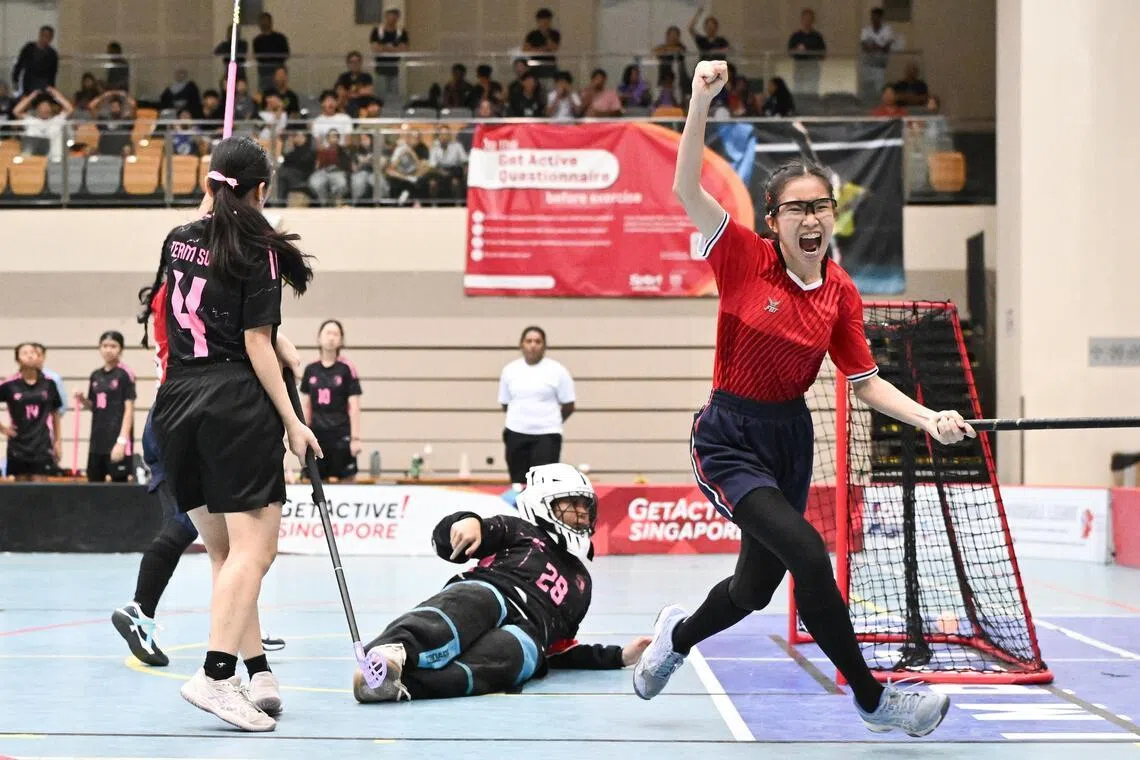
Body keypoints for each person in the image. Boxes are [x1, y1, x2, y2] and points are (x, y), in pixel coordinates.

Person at [631, 60, 975, 739]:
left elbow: (864, 382)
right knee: (811, 556)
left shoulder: (841, 291)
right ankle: (875, 700)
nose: (812, 217)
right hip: (729, 437)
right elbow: (683, 185)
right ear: (775, 220)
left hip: (790, 440)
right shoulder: (739, 256)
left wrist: (929, 417)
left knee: (752, 591)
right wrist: (700, 98)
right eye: (798, 208)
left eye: (822, 206)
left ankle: (677, 637)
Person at [151, 135, 321, 732]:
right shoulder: (260, 249)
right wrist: (294, 422)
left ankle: (257, 669)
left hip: (175, 403)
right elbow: (253, 342)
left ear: (208, 185)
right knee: (256, 550)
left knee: (224, 553)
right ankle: (216, 675)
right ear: (262, 191)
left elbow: (190, 295)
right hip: (233, 405)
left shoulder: (177, 240)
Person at [353, 463, 650, 702]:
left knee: (511, 656)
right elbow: (449, 543)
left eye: (586, 506)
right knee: (472, 602)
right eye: (572, 503)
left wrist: (619, 656)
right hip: (494, 590)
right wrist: (465, 522)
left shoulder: (582, 583)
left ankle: (398, 686)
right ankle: (388, 653)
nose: (583, 512)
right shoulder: (518, 530)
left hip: (529, 632)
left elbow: (558, 650)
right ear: (543, 503)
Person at [111, 279, 291, 671]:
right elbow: (244, 336)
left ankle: (242, 626)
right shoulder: (192, 289)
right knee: (219, 539)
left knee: (229, 542)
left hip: (174, 410)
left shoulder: (173, 292)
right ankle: (141, 609)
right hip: (190, 411)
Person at [498, 326, 575, 485]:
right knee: (518, 484)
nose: (533, 345)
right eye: (529, 341)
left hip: (547, 435)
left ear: (544, 346)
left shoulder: (558, 371)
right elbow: (505, 403)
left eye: (538, 341)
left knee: (543, 485)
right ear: (521, 344)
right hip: (516, 434)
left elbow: (569, 405)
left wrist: (549, 421)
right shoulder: (510, 370)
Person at [300, 319, 362, 482]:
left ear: (341, 340)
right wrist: (302, 435)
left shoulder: (347, 368)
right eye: (327, 333)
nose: (331, 337)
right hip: (317, 435)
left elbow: (354, 405)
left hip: (341, 435)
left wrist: (355, 438)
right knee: (313, 480)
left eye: (336, 334)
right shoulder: (310, 369)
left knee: (347, 479)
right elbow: (307, 405)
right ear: (319, 338)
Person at [73, 331, 136, 483]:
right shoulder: (95, 375)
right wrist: (82, 399)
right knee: (94, 483)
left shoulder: (125, 374)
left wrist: (121, 441)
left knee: (118, 486)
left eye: (113, 346)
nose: (108, 350)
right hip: (97, 440)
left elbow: (129, 409)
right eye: (105, 346)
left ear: (121, 349)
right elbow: (94, 406)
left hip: (116, 439)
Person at [1, 342, 63, 478]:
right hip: (18, 445)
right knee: (21, 491)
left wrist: (58, 441)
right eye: (25, 353)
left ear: (38, 357)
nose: (29, 356)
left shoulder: (49, 383)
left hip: (42, 444)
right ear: (17, 359)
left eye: (33, 352)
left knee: (41, 489)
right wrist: (3, 429)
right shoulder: (9, 384)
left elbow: (55, 413)